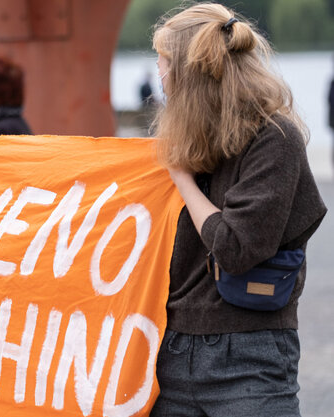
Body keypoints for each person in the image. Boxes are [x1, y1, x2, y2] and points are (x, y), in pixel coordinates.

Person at [150, 4, 326, 416]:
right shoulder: (184, 138)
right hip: (169, 354)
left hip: (250, 358)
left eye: (162, 65)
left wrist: (181, 179)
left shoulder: (275, 140)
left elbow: (235, 247)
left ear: (189, 76)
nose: (158, 77)